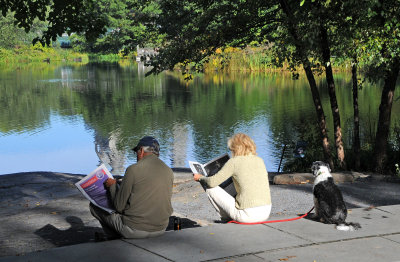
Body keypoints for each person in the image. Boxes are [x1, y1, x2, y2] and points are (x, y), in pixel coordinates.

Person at [90, 136, 174, 240]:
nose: (136, 156)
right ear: (157, 153)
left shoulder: (133, 169)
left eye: (136, 152)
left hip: (135, 230)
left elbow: (119, 206)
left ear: (142, 150)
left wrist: (112, 186)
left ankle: (113, 238)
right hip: (161, 229)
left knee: (94, 206)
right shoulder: (168, 171)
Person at [193, 133, 271, 223]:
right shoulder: (260, 160)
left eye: (231, 149)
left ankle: (226, 219)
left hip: (247, 216)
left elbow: (212, 182)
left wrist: (200, 177)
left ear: (235, 148)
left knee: (210, 188)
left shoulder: (234, 162)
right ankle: (230, 217)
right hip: (265, 212)